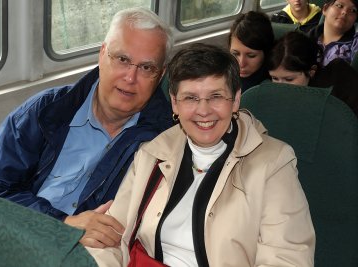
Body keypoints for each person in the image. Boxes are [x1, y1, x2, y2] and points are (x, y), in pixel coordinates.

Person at [87, 43, 315, 266]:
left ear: (235, 100)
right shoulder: (153, 152)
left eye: (216, 96)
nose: (204, 111)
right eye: (190, 98)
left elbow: (288, 258)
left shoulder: (274, 162)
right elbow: (111, 237)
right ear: (174, 103)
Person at [0, 7, 174, 248]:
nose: (130, 77)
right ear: (102, 54)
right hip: (15, 235)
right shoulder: (44, 110)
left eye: (146, 68)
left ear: (160, 75)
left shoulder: (165, 142)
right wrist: (62, 223)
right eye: (122, 59)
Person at [268, 31, 358, 115]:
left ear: (311, 72)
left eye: (289, 79)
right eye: (275, 78)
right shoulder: (266, 94)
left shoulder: (339, 80)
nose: (280, 87)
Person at [229, 11, 275, 93]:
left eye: (251, 55)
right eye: (235, 54)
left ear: (266, 53)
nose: (241, 64)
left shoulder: (273, 83)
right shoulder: (223, 75)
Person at [308, 0, 358, 66]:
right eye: (339, 6)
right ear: (325, 9)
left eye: (353, 10)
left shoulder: (355, 44)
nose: (345, 12)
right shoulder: (304, 41)